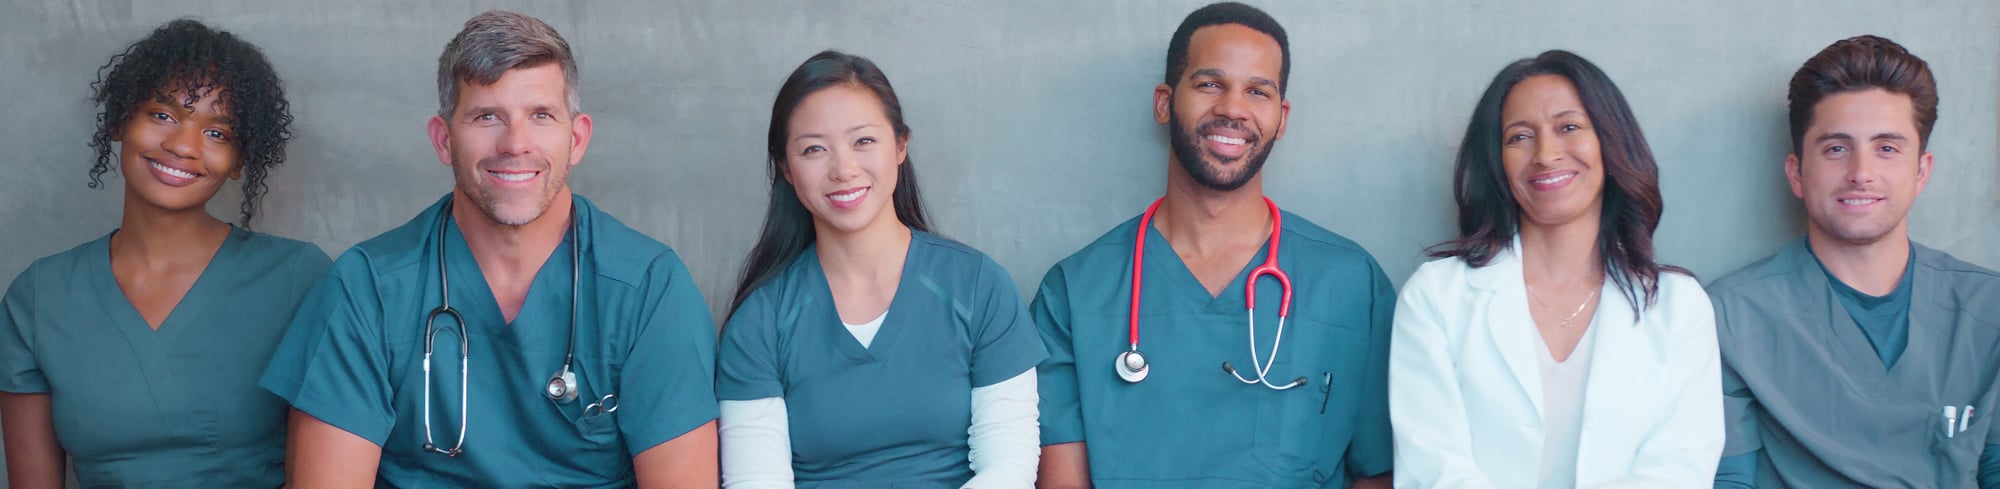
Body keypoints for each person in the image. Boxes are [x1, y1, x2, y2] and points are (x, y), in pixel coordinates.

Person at [258, 11, 718, 487]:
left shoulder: (648, 288)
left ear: (576, 138)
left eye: (540, 115)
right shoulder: (367, 287)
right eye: (486, 116)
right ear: (443, 139)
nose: (515, 143)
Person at [1031, 3, 1395, 487]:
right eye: (1209, 84)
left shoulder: (1351, 284)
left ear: (1281, 117)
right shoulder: (1075, 292)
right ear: (1164, 102)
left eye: (1258, 91)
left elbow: (1377, 473)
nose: (1233, 108)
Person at [0, 19, 328, 488]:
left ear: (239, 162)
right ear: (119, 120)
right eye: (163, 115)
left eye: (218, 133)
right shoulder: (39, 297)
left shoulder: (299, 278)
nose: (182, 146)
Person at [1388, 50, 1723, 488]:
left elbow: (1680, 469)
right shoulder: (1436, 295)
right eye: (1519, 137)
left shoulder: (1679, 306)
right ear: (1496, 160)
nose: (1545, 154)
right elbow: (1432, 469)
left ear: (1610, 141)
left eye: (1568, 128)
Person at [715, 50, 1047, 488]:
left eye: (863, 141)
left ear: (901, 146)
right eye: (814, 149)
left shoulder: (978, 287)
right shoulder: (760, 321)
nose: (843, 169)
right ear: (787, 169)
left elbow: (1010, 466)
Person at [1710, 35, 2000, 489]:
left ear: (1921, 171)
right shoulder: (1730, 317)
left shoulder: (1989, 310)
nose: (1861, 172)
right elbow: (1729, 481)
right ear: (1796, 173)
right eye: (1836, 148)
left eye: (1887, 148)